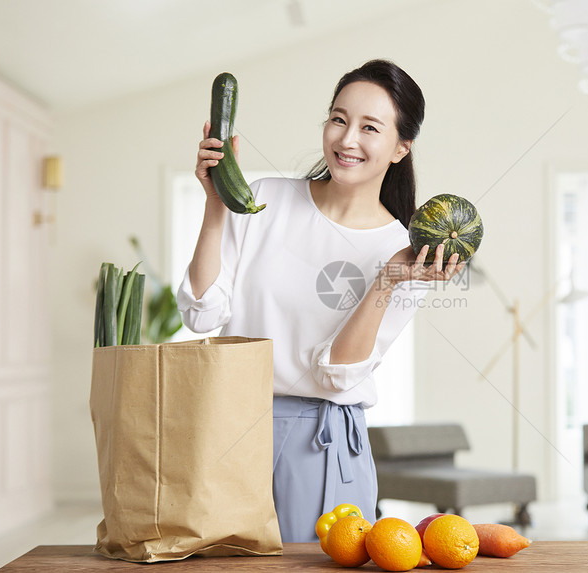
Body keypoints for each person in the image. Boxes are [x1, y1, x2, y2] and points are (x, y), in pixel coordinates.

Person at [176, 59, 465, 542]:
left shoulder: (405, 252)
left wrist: (389, 280)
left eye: (370, 128)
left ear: (400, 147)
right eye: (338, 119)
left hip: (321, 443)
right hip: (228, 426)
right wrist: (215, 202)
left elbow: (338, 371)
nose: (347, 139)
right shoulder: (261, 201)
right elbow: (202, 312)